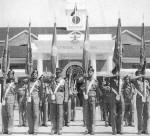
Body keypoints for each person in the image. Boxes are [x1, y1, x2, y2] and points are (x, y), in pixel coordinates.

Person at [81, 66, 101, 135]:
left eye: (91, 72)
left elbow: (97, 91)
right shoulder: (85, 80)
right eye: (89, 72)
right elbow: (83, 89)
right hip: (86, 98)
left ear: (93, 72)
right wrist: (84, 95)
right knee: (86, 113)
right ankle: (87, 129)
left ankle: (92, 129)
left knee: (92, 114)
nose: (90, 73)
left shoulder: (95, 81)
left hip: (93, 98)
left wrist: (98, 101)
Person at [50, 68, 68, 135]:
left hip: (60, 98)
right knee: (53, 115)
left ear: (61, 73)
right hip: (53, 99)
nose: (58, 73)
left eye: (59, 72)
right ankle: (53, 128)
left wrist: (66, 99)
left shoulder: (63, 81)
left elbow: (66, 90)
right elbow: (50, 88)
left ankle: (59, 129)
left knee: (60, 115)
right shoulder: (53, 80)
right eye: (57, 72)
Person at [133, 70, 150, 134]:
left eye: (141, 74)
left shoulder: (146, 81)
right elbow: (131, 78)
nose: (140, 76)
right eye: (139, 74)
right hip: (140, 100)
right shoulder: (135, 81)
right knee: (140, 115)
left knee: (147, 115)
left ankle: (145, 129)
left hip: (147, 99)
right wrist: (139, 76)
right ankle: (140, 129)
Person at [2, 69, 17, 134]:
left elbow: (15, 93)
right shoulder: (4, 83)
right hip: (4, 100)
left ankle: (10, 129)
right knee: (4, 115)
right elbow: (2, 92)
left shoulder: (15, 84)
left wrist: (15, 102)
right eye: (9, 74)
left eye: (11, 74)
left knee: (10, 115)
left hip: (11, 99)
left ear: (13, 75)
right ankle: (4, 129)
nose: (9, 75)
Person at [26, 69, 42, 135]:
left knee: (36, 114)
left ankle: (35, 130)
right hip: (29, 99)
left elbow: (41, 92)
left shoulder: (39, 82)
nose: (34, 75)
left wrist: (41, 100)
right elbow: (26, 90)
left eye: (35, 74)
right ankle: (30, 129)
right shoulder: (29, 82)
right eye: (33, 74)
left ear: (37, 75)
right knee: (29, 114)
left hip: (36, 98)